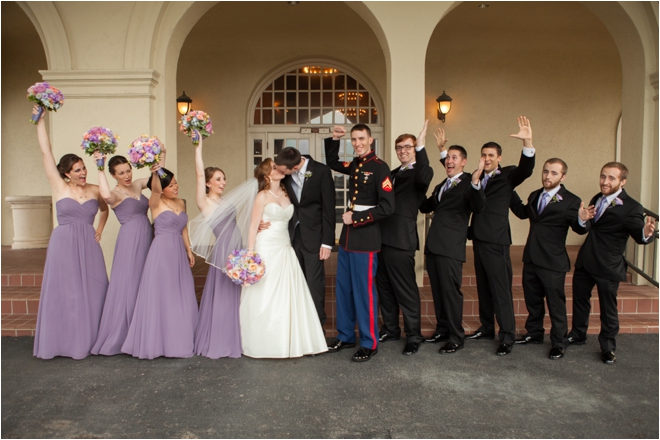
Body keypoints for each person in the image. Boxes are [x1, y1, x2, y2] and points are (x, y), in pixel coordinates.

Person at [31, 105, 109, 360]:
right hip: (63, 243)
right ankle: (63, 341)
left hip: (88, 242)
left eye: (83, 167)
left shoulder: (96, 189)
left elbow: (105, 209)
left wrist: (98, 229)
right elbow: (46, 152)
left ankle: (94, 339)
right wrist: (41, 121)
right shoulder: (59, 187)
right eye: (77, 170)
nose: (83, 172)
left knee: (94, 287)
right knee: (66, 291)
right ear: (66, 174)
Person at [567, 162, 656, 364]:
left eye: (611, 178)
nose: (605, 182)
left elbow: (639, 234)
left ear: (622, 181)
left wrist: (646, 234)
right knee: (580, 301)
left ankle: (607, 346)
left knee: (608, 308)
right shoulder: (597, 198)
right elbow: (587, 228)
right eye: (603, 176)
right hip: (586, 260)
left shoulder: (632, 207)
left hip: (608, 265)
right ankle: (577, 334)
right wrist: (582, 220)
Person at [239, 158, 328, 358]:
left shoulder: (287, 192)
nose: (278, 169)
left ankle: (291, 340)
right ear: (266, 175)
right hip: (266, 246)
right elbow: (253, 226)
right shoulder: (261, 196)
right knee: (266, 292)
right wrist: (251, 254)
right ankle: (264, 341)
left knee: (288, 293)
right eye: (273, 167)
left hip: (285, 247)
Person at [325, 124, 395, 362]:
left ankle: (369, 341)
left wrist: (356, 218)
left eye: (361, 138)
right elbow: (334, 163)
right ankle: (345, 336)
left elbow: (387, 207)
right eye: (354, 139)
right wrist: (334, 139)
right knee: (343, 288)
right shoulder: (356, 164)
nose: (357, 143)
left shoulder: (380, 168)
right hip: (347, 238)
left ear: (371, 139)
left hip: (365, 238)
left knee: (364, 293)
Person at [466, 116, 535, 356]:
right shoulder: (476, 177)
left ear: (499, 158)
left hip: (497, 242)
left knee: (501, 290)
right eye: (483, 155)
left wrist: (527, 142)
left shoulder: (508, 175)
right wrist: (475, 183)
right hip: (478, 240)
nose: (486, 159)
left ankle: (507, 336)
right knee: (484, 288)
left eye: (491, 156)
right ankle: (486, 328)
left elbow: (526, 170)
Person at [509, 158, 591, 360]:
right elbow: (522, 213)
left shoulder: (571, 200)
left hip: (553, 262)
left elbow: (580, 228)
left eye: (554, 173)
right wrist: (507, 189)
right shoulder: (535, 195)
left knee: (556, 305)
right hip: (531, 258)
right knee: (533, 301)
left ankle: (559, 342)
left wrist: (582, 219)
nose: (548, 176)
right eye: (546, 171)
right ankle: (535, 333)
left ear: (562, 177)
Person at [91, 147, 165, 356]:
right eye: (121, 173)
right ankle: (127, 333)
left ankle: (145, 328)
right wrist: (99, 167)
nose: (126, 176)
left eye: (128, 170)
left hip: (148, 234)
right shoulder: (114, 193)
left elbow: (158, 187)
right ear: (113, 175)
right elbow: (105, 196)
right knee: (130, 281)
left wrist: (156, 166)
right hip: (130, 240)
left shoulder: (138, 184)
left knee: (146, 280)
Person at [121, 167, 198, 359]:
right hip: (161, 251)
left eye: (176, 183)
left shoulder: (181, 202)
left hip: (178, 252)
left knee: (180, 292)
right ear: (162, 189)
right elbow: (154, 189)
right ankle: (160, 341)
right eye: (170, 185)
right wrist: (155, 170)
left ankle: (180, 336)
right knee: (164, 293)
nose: (175, 187)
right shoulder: (155, 202)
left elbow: (184, 229)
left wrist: (189, 250)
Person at [420, 135, 486, 355]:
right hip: (434, 245)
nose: (449, 160)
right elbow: (425, 206)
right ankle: (442, 328)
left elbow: (479, 206)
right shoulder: (442, 184)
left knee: (450, 293)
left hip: (451, 247)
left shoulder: (469, 183)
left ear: (464, 162)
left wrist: (476, 183)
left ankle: (456, 337)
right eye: (447, 157)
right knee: (438, 291)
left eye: (454, 157)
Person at [376, 121, 434, 356]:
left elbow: (422, 178)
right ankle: (391, 329)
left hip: (401, 240)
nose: (403, 150)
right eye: (399, 147)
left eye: (407, 147)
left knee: (406, 290)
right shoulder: (392, 173)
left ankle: (413, 335)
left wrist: (421, 147)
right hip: (381, 238)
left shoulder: (422, 171)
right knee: (386, 288)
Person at [270, 146, 335, 328]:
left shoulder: (322, 171)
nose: (280, 173)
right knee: (292, 281)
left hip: (315, 237)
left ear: (295, 168)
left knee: (314, 284)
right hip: (290, 235)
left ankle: (316, 328)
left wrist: (327, 243)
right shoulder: (286, 171)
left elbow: (329, 209)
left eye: (283, 171)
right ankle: (296, 327)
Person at [190, 137, 242, 359]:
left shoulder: (224, 201)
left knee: (238, 295)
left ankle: (236, 336)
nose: (223, 182)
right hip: (224, 250)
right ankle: (220, 339)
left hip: (238, 247)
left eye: (224, 179)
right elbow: (199, 174)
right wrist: (198, 148)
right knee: (224, 294)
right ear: (208, 182)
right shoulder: (205, 202)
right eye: (218, 179)